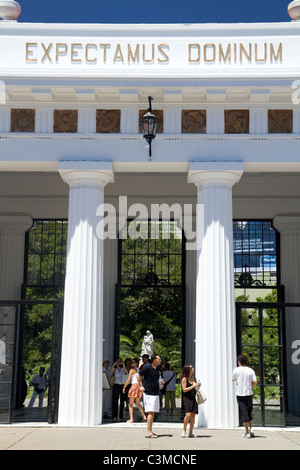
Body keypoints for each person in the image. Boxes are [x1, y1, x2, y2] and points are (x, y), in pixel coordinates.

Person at [232, 354, 257, 439]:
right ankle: (251, 429)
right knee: (249, 410)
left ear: (239, 362)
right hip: (249, 393)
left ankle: (247, 432)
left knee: (244, 412)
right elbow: (255, 382)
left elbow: (233, 379)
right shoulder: (250, 370)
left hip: (240, 393)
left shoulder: (236, 370)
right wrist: (251, 387)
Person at [138, 353, 162, 438]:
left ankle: (150, 430)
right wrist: (141, 386)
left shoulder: (158, 369)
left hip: (155, 393)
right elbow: (139, 375)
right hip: (149, 393)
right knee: (151, 412)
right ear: (154, 360)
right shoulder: (147, 368)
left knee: (153, 413)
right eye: (159, 359)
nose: (160, 360)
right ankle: (148, 432)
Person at [122, 358, 146, 423]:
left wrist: (125, 386)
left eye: (132, 362)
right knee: (137, 403)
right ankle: (144, 416)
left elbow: (129, 379)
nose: (131, 363)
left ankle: (131, 419)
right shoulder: (138, 370)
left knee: (130, 404)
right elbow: (140, 379)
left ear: (136, 363)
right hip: (138, 387)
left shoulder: (132, 370)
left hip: (134, 386)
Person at [181, 364, 200, 438]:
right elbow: (184, 389)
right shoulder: (184, 379)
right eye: (191, 368)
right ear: (188, 370)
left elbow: (196, 388)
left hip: (193, 397)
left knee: (193, 415)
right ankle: (184, 430)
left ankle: (191, 433)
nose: (193, 369)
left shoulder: (194, 378)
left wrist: (198, 386)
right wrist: (192, 386)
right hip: (187, 398)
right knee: (188, 415)